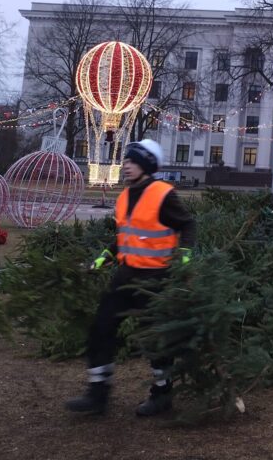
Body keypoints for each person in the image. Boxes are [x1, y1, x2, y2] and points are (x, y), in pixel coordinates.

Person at [65, 139, 196, 417]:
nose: (126, 164)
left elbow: (188, 224)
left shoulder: (162, 194)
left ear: (146, 164)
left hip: (154, 279)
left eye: (132, 160)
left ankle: (162, 395)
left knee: (154, 339)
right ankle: (97, 394)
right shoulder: (125, 196)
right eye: (125, 160)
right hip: (125, 275)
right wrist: (104, 257)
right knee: (101, 328)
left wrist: (184, 258)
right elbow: (126, 236)